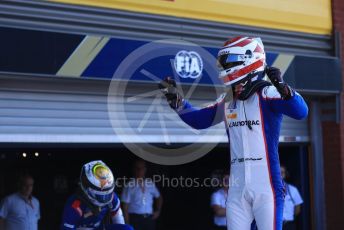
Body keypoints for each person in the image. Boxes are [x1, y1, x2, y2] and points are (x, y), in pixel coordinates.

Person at [159, 36, 308, 230]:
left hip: (267, 184)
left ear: (248, 59)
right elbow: (199, 120)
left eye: (228, 61)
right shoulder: (228, 100)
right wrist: (179, 104)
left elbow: (301, 112)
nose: (223, 66)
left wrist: (284, 89)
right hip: (236, 186)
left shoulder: (268, 92)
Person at [61, 160, 132, 230]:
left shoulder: (112, 197)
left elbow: (117, 216)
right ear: (87, 189)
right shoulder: (75, 205)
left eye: (107, 193)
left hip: (100, 228)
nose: (104, 198)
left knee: (127, 229)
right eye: (100, 194)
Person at [121, 159, 163, 230]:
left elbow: (159, 197)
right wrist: (127, 225)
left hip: (149, 219)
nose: (139, 170)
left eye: (142, 168)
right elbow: (125, 207)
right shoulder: (129, 185)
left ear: (145, 169)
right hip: (135, 219)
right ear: (134, 169)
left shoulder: (150, 183)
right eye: (137, 168)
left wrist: (158, 211)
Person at [281, 165, 303, 230]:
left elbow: (297, 208)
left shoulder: (293, 190)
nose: (280, 175)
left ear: (285, 174)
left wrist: (289, 216)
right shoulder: (268, 190)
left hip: (289, 225)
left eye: (282, 172)